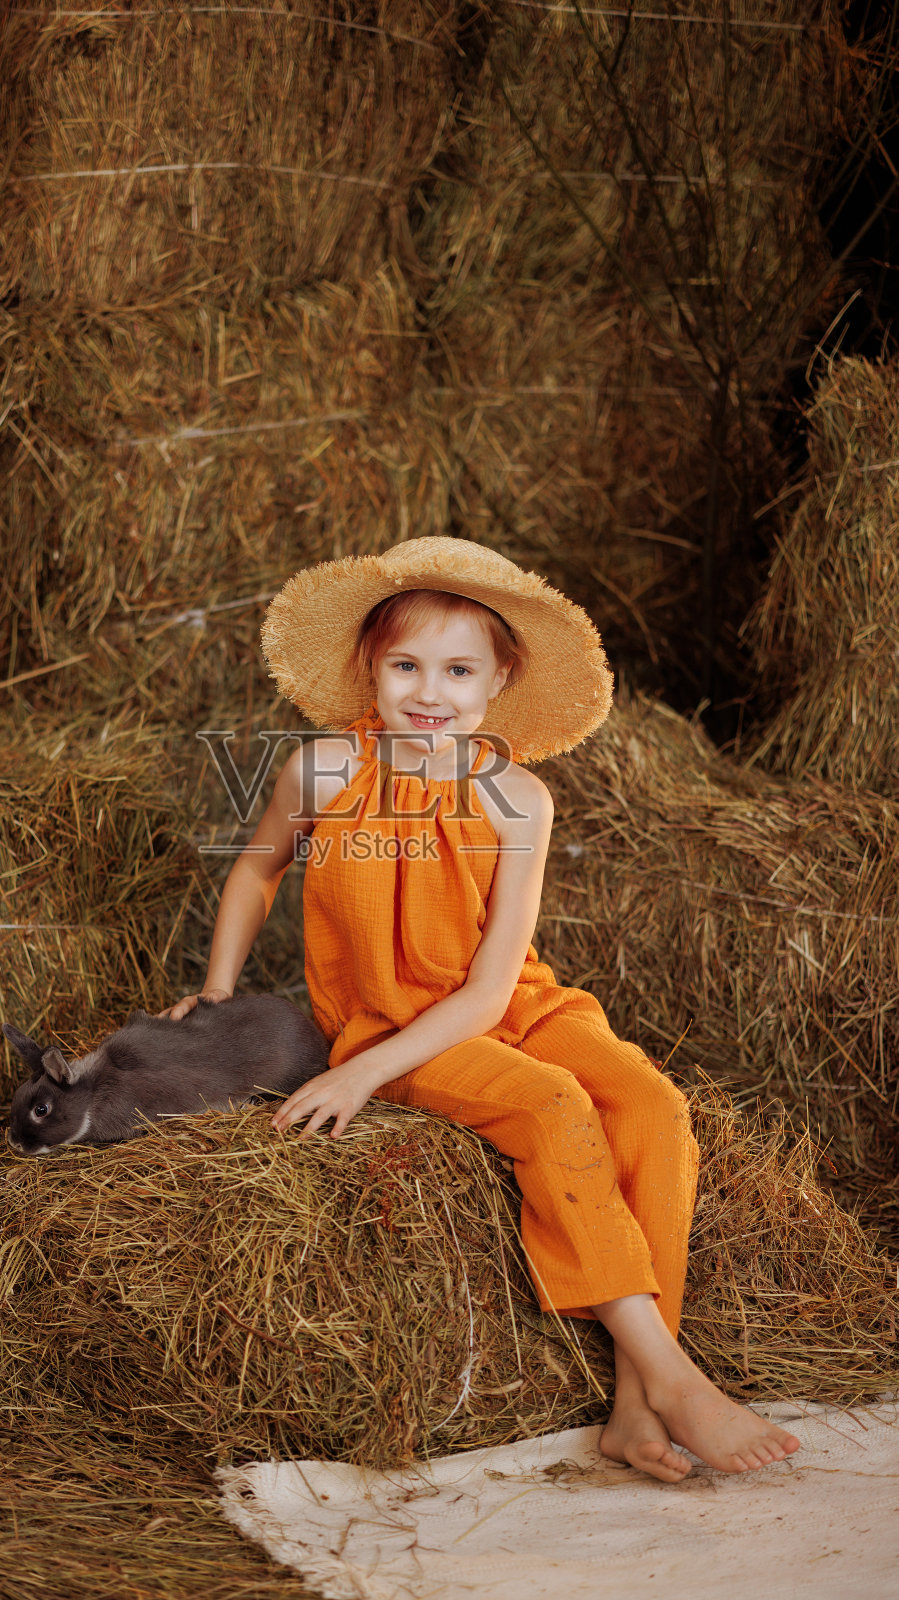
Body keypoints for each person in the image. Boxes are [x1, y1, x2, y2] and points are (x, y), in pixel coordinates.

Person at [163, 535, 801, 1483]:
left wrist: (356, 1081)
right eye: (405, 665)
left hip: (514, 1005)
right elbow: (258, 871)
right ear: (367, 671)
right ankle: (670, 1377)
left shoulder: (517, 803)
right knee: (551, 1108)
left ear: (499, 677)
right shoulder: (325, 773)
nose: (431, 690)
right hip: (393, 1025)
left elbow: (497, 987)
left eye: (459, 669)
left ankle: (635, 1403)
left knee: (652, 1107)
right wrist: (224, 996)